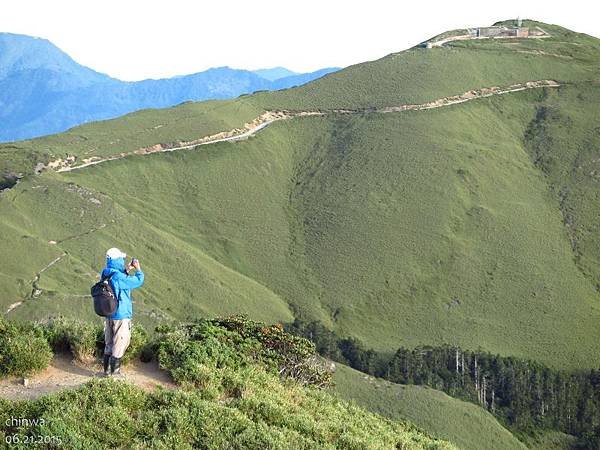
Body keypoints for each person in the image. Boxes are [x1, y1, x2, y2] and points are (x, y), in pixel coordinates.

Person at [101, 247, 145, 377]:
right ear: (117, 260)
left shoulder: (106, 272)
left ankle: (107, 371)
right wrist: (138, 269)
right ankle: (115, 373)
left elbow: (117, 281)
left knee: (109, 343)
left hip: (109, 313)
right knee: (120, 342)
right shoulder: (118, 277)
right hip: (121, 314)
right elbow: (137, 281)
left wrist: (126, 270)